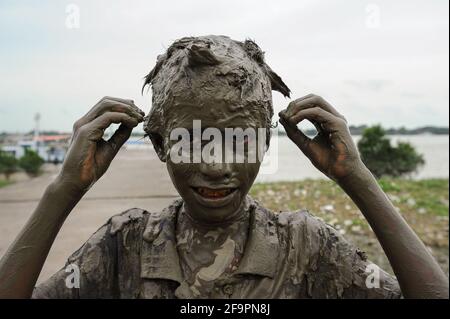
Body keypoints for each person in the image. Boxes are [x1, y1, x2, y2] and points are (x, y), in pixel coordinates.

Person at [0, 35, 447, 299]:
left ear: (265, 143)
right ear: (159, 143)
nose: (216, 166)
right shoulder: (125, 247)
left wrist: (357, 178)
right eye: (192, 140)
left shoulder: (306, 247)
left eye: (240, 140)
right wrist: (62, 191)